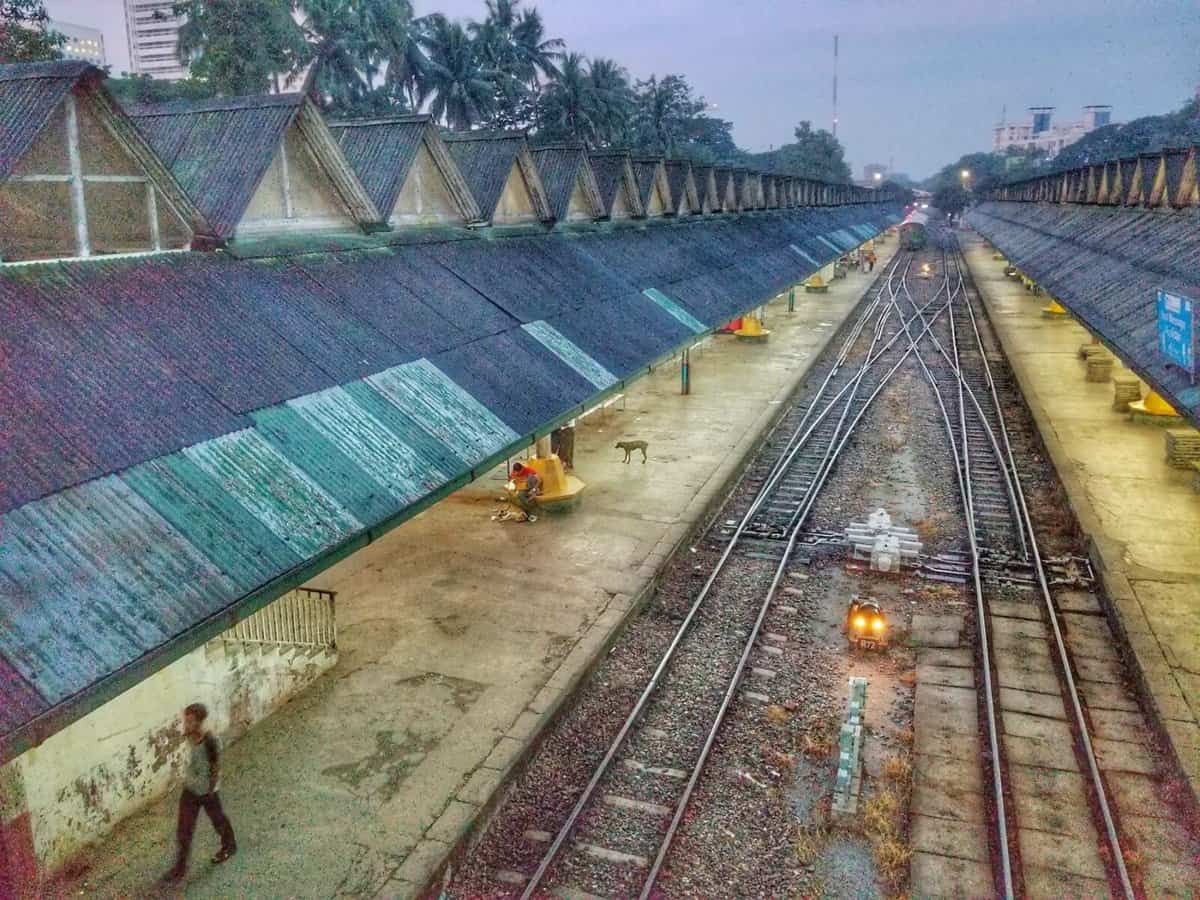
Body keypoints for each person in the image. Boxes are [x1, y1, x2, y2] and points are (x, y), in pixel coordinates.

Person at [165, 703, 236, 881]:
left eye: (190, 721)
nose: (186, 725)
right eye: (185, 721)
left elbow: (215, 767)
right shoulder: (191, 736)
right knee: (184, 830)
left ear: (199, 722)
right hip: (191, 790)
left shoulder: (211, 741)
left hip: (206, 792)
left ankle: (229, 846)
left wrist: (210, 790)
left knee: (218, 820)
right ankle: (180, 867)